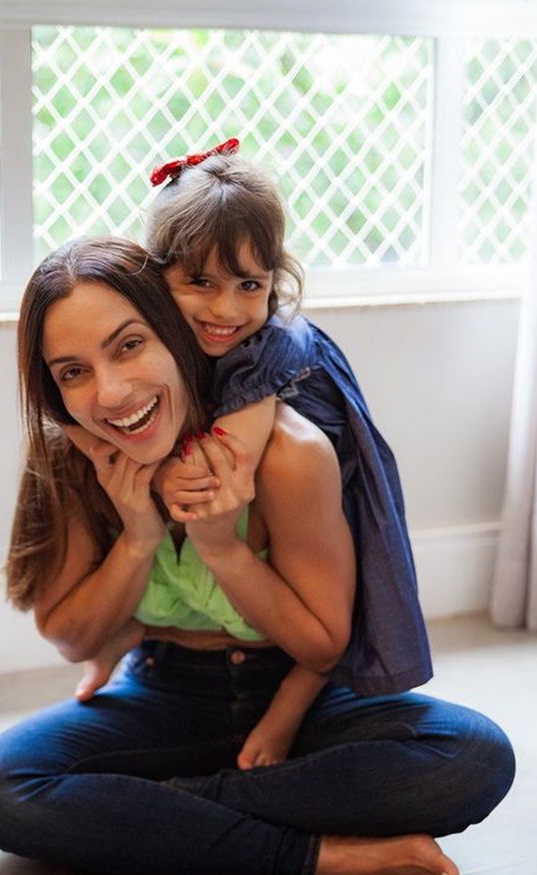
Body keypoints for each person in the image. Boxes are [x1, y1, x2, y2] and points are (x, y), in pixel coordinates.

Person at [0, 236, 515, 875]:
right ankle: (313, 852)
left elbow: (322, 645)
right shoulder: (75, 457)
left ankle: (158, 807)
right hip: (166, 689)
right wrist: (137, 537)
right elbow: (74, 637)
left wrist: (221, 547)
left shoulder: (287, 451)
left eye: (129, 345)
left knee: (474, 757)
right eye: (72, 371)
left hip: (301, 695)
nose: (110, 392)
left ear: (175, 332)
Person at [145, 137, 430, 767]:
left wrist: (165, 472)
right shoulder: (169, 346)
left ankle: (288, 710)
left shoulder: (268, 351)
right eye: (200, 282)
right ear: (156, 276)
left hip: (333, 480)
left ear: (275, 280)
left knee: (340, 602)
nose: (226, 308)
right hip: (209, 630)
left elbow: (224, 470)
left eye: (249, 283)